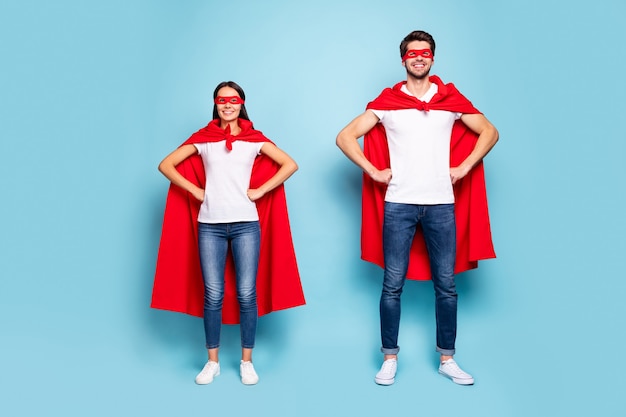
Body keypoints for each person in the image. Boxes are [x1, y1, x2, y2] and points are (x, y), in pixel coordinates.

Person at [336, 30, 498, 386]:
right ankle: (390, 357)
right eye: (412, 53)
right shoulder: (388, 103)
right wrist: (373, 170)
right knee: (392, 284)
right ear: (404, 60)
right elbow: (345, 136)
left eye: (424, 52)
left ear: (433, 59)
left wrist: (466, 165)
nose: (419, 57)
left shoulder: (450, 101)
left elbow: (489, 131)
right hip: (399, 203)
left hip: (441, 203)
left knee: (447, 285)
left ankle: (447, 358)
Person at [152, 81, 305, 385]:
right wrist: (195, 189)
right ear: (216, 104)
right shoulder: (204, 139)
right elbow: (166, 165)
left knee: (247, 293)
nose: (228, 105)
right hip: (209, 225)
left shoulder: (253, 140)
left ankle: (247, 361)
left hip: (247, 224)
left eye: (233, 100)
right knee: (213, 294)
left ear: (241, 103)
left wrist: (260, 190)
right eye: (222, 100)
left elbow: (289, 164)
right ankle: (213, 362)